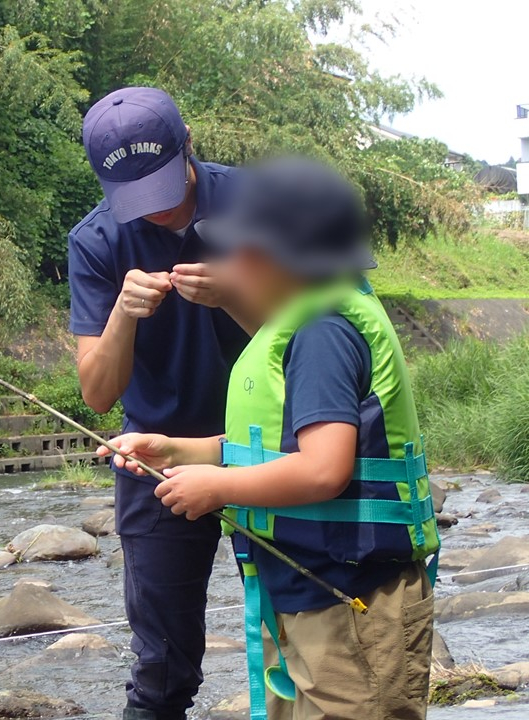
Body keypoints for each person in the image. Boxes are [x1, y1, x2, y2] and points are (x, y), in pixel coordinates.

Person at [99, 157, 440, 720]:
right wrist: (177, 449)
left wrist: (218, 487)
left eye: (239, 250)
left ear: (271, 259)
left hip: (352, 606)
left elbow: (323, 469)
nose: (231, 263)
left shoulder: (323, 336)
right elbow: (283, 450)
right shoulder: (306, 323)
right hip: (312, 600)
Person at [69, 87, 251, 720]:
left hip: (275, 443)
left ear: (189, 144)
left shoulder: (261, 205)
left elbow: (338, 329)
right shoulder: (96, 242)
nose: (157, 211)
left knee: (306, 632)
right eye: (137, 197)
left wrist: (235, 294)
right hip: (157, 456)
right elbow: (97, 393)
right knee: (161, 668)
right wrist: (123, 314)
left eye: (165, 185)